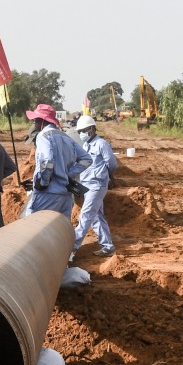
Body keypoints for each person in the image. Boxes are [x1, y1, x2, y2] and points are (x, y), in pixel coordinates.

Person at [25, 104, 91, 219]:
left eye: (35, 120)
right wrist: (68, 174)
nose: (34, 123)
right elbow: (87, 159)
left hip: (48, 194)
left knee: (35, 225)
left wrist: (43, 182)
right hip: (66, 195)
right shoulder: (66, 137)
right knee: (60, 227)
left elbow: (48, 161)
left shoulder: (43, 136)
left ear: (41, 120)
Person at [73, 115, 118, 257]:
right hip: (87, 184)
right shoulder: (86, 145)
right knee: (97, 216)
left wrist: (108, 177)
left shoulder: (101, 144)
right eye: (79, 131)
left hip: (97, 184)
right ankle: (108, 246)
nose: (81, 133)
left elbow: (111, 163)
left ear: (92, 129)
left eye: (84, 130)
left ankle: (73, 246)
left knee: (86, 215)